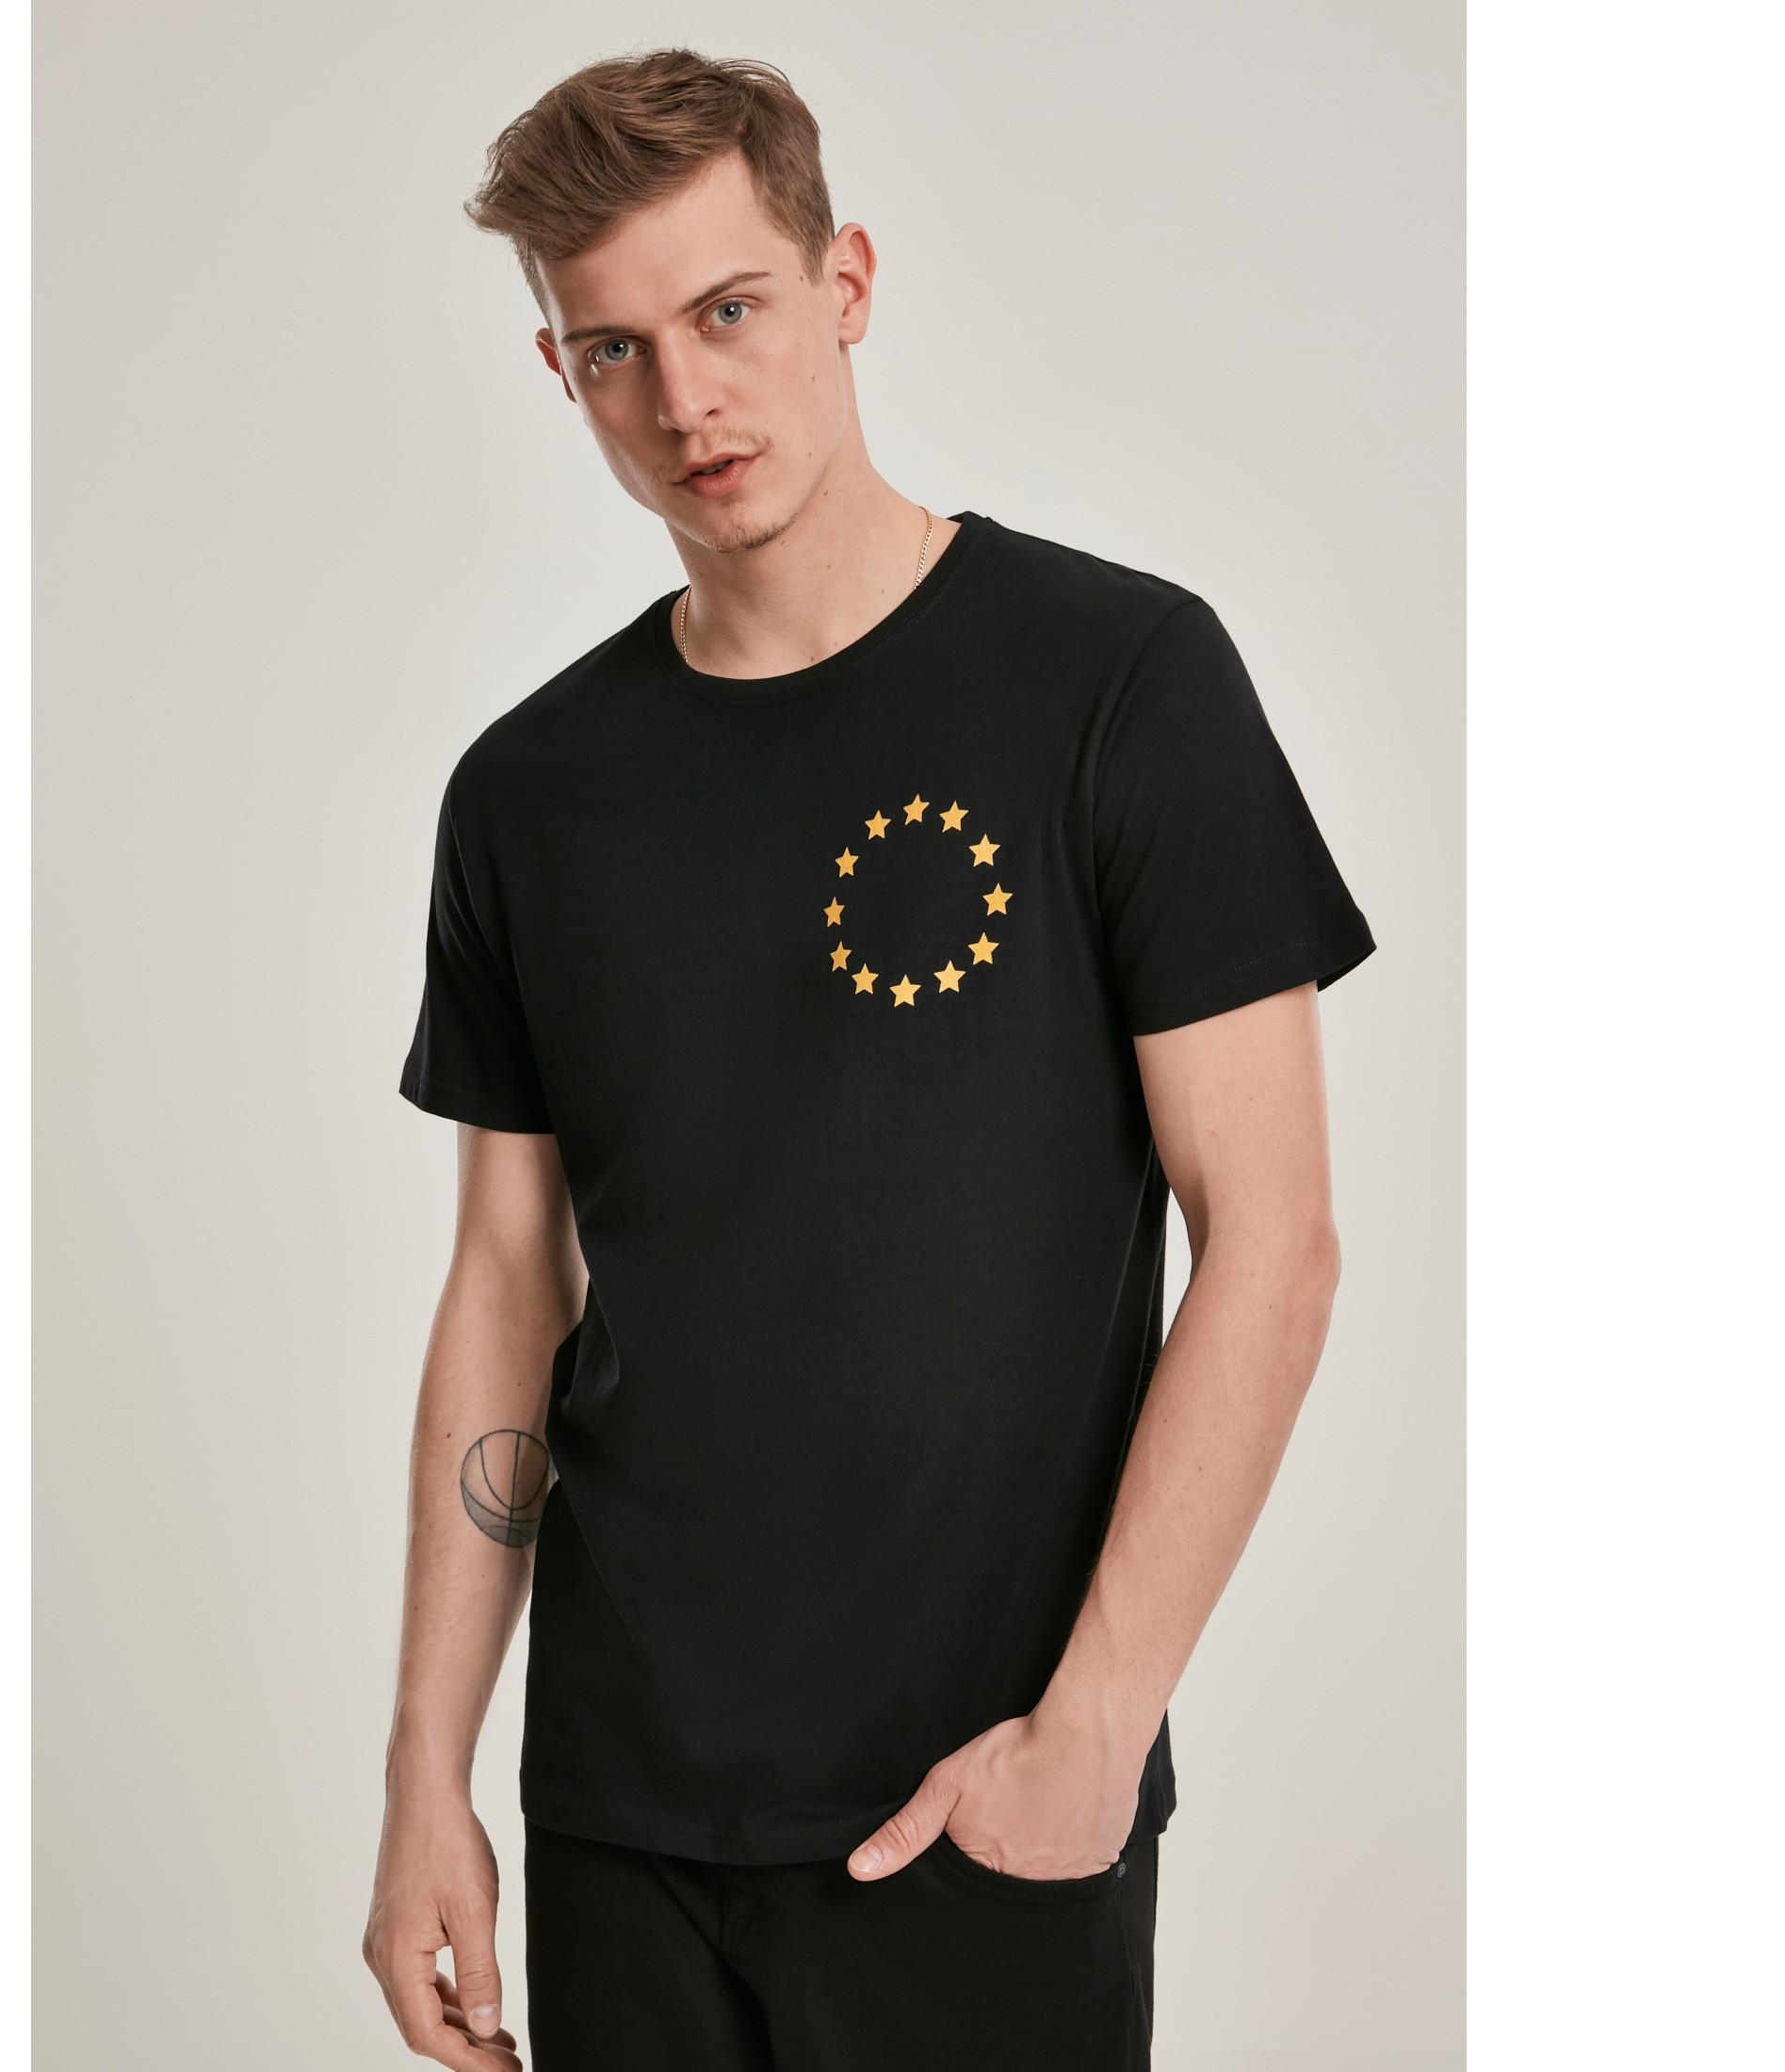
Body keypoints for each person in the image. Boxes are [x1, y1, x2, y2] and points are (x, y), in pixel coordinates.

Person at [363, 46, 1373, 2072]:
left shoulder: (1119, 681)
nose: (685, 399)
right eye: (615, 349)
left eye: (728, 309)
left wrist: (1091, 1735)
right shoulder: (529, 795)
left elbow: (1269, 1240)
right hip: (622, 1813)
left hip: (977, 1805)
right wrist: (424, 1774)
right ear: (563, 375)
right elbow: (506, 1282)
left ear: (846, 282)